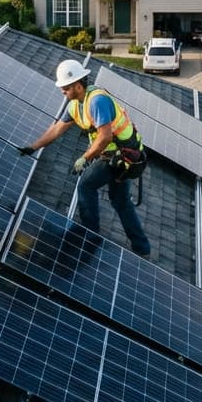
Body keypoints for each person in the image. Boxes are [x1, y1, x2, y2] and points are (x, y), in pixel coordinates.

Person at [20, 60, 151, 257]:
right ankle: (142, 248)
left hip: (122, 157)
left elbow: (105, 137)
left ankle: (90, 235)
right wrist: (33, 146)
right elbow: (57, 129)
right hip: (114, 156)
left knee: (86, 186)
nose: (62, 91)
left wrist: (85, 158)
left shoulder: (97, 101)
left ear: (77, 85)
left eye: (65, 87)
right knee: (121, 201)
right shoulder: (75, 105)